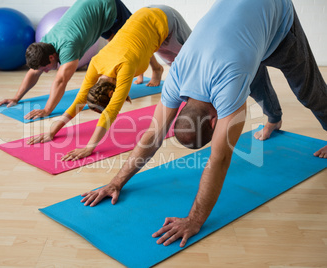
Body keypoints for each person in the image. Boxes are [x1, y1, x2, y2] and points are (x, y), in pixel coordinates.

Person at [79, 0, 327, 248]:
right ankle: (274, 119)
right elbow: (152, 136)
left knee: (308, 91)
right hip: (242, 36)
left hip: (276, 15)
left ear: (214, 119)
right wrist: (115, 183)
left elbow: (219, 159)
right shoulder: (176, 78)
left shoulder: (228, 86)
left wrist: (194, 219)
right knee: (251, 75)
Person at [27, 5, 192, 161]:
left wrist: (89, 147)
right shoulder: (96, 61)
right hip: (147, 24)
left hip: (163, 18)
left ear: (111, 93)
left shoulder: (124, 67)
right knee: (181, 68)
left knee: (193, 59)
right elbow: (79, 100)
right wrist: (52, 131)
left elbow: (111, 112)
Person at [0, 0, 132, 120]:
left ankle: (155, 69)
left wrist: (47, 110)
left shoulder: (68, 49)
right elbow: (33, 73)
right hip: (94, 12)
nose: (46, 72)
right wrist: (16, 98)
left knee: (136, 37)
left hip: (107, 5)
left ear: (51, 57)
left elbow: (60, 81)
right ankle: (147, 71)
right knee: (113, 40)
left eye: (45, 68)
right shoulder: (45, 44)